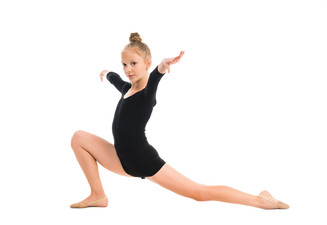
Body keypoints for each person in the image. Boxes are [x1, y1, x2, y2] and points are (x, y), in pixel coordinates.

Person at [70, 32, 289, 209]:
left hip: (142, 159)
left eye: (133, 63)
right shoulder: (127, 88)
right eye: (124, 64)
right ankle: (98, 195)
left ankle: (260, 199)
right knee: (78, 137)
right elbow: (116, 79)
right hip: (121, 159)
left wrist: (162, 67)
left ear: (147, 63)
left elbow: (155, 78)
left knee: (199, 193)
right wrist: (107, 72)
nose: (128, 70)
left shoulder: (147, 94)